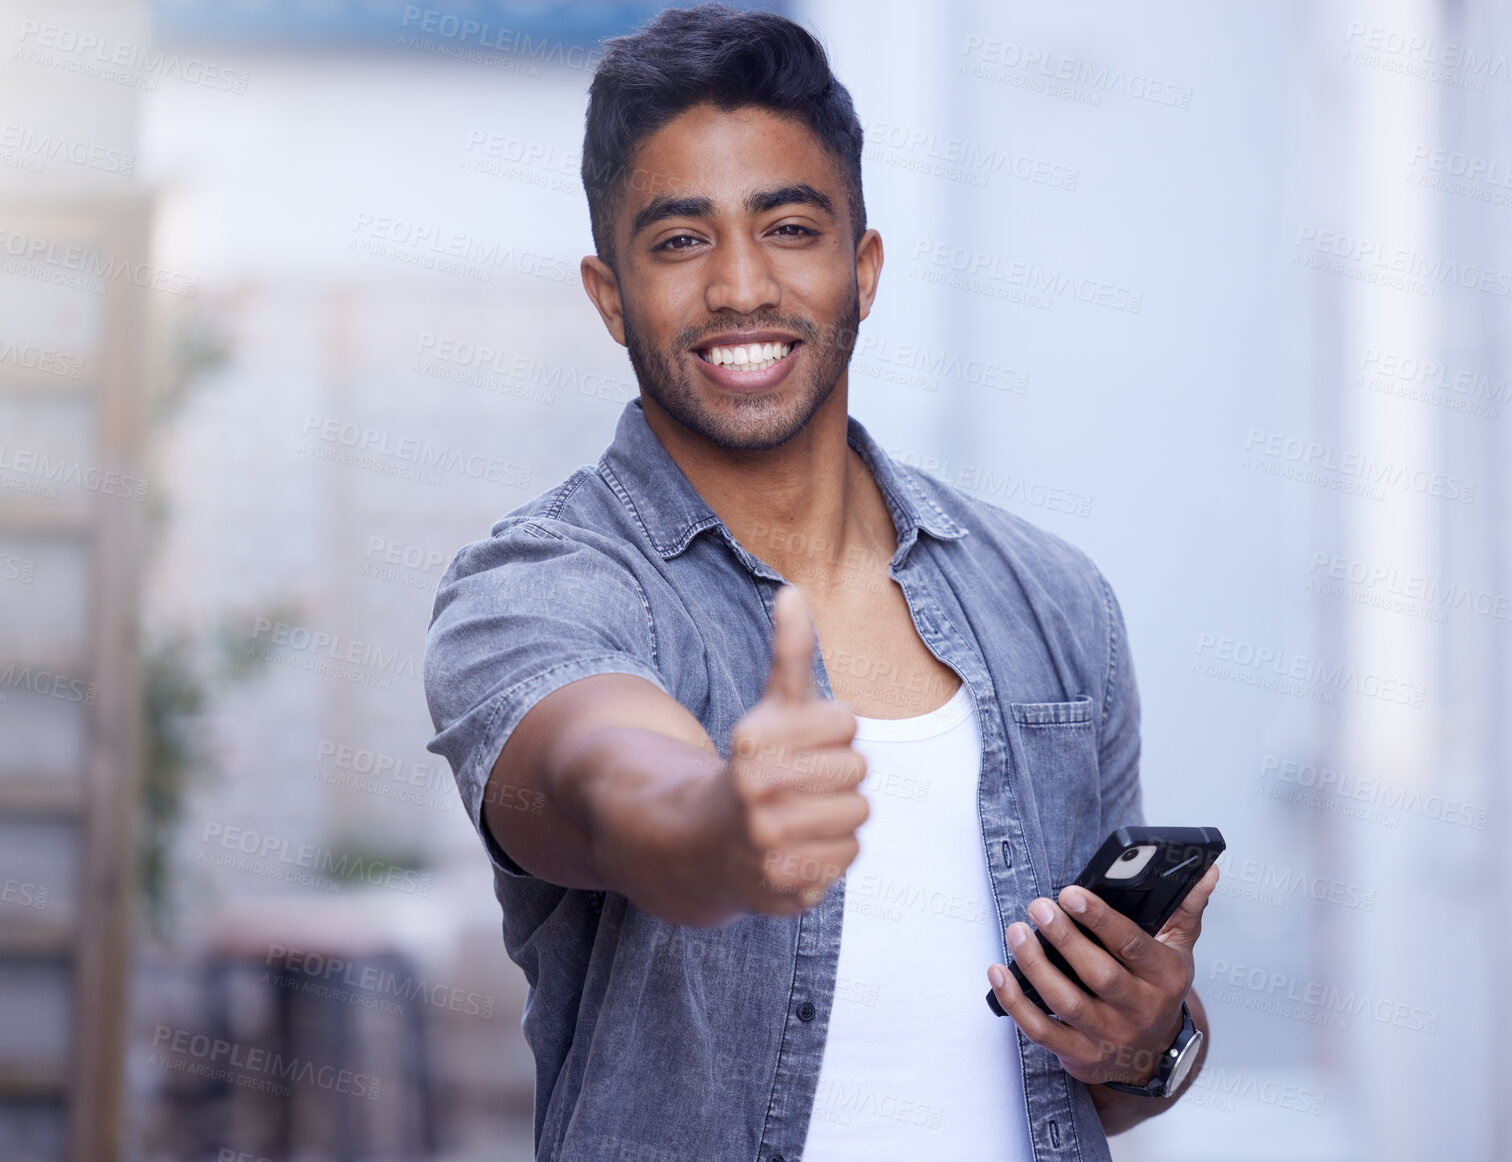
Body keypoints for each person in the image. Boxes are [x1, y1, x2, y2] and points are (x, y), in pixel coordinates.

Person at [423, 6, 1217, 1159]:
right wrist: (720, 829)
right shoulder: (537, 583)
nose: (742, 286)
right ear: (608, 295)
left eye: (789, 227)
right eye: (680, 241)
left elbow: (1109, 1085)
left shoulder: (1055, 601)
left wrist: (1144, 1041)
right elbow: (602, 774)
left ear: (864, 266)